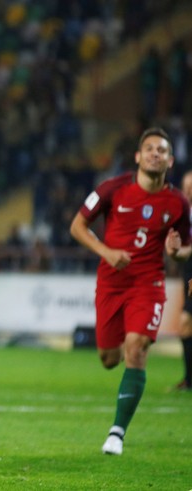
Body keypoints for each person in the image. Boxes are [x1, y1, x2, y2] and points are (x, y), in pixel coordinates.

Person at [69, 127, 190, 456]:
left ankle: (116, 433)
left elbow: (185, 250)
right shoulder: (112, 188)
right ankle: (123, 351)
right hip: (111, 282)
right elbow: (77, 226)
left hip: (148, 284)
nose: (155, 154)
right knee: (109, 358)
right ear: (137, 156)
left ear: (170, 160)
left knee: (136, 348)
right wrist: (106, 252)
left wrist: (176, 250)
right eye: (149, 148)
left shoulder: (178, 203)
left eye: (161, 150)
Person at [174, 170, 192, 391]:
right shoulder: (181, 215)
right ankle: (189, 380)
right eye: (186, 187)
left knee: (186, 323)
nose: (188, 192)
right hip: (187, 276)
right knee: (186, 326)